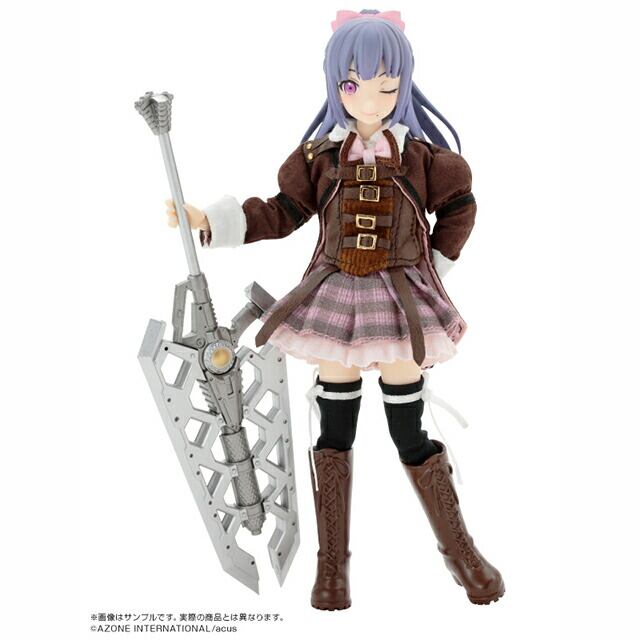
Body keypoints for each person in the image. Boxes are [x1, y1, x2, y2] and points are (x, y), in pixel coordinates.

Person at [166, 9, 504, 610]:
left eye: (385, 84)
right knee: (335, 428)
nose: (369, 97)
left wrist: (433, 267)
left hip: (399, 303)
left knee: (408, 427)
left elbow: (460, 209)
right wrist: (209, 219)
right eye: (353, 83)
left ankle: (460, 550)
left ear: (403, 85)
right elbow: (282, 212)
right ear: (335, 84)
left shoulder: (422, 158)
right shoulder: (321, 157)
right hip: (335, 298)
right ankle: (332, 567)